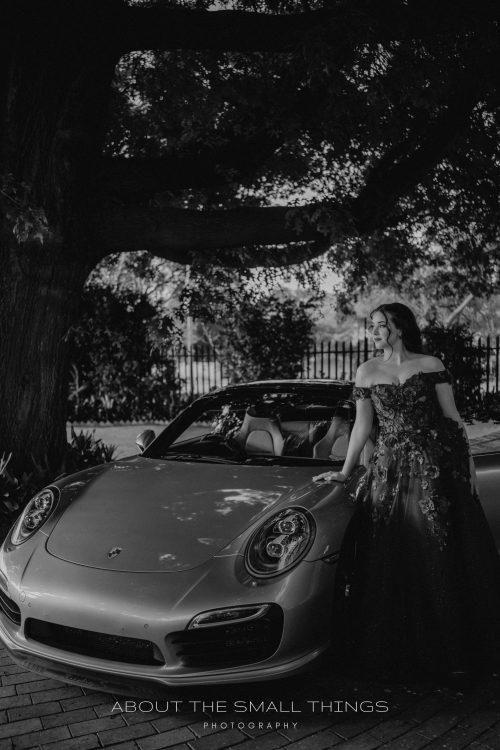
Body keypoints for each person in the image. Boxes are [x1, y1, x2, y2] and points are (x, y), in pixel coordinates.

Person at [314, 302, 500, 681]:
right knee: (394, 551)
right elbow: (362, 427)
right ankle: (401, 650)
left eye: (380, 325)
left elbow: (452, 418)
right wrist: (344, 472)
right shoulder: (367, 371)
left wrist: (467, 466)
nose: (374, 332)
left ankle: (452, 649)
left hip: (435, 469)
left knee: (438, 549)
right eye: (371, 326)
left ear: (399, 327)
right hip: (391, 471)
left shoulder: (430, 364)